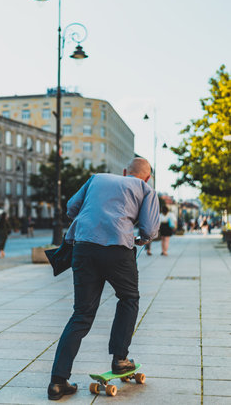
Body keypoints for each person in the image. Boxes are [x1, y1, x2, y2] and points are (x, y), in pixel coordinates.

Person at [47, 157, 160, 401]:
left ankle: (57, 382)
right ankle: (120, 359)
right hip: (118, 250)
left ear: (123, 171)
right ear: (147, 177)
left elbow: (71, 208)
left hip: (84, 248)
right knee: (129, 298)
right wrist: (139, 239)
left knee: (82, 314)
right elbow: (150, 229)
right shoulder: (145, 189)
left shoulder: (96, 178)